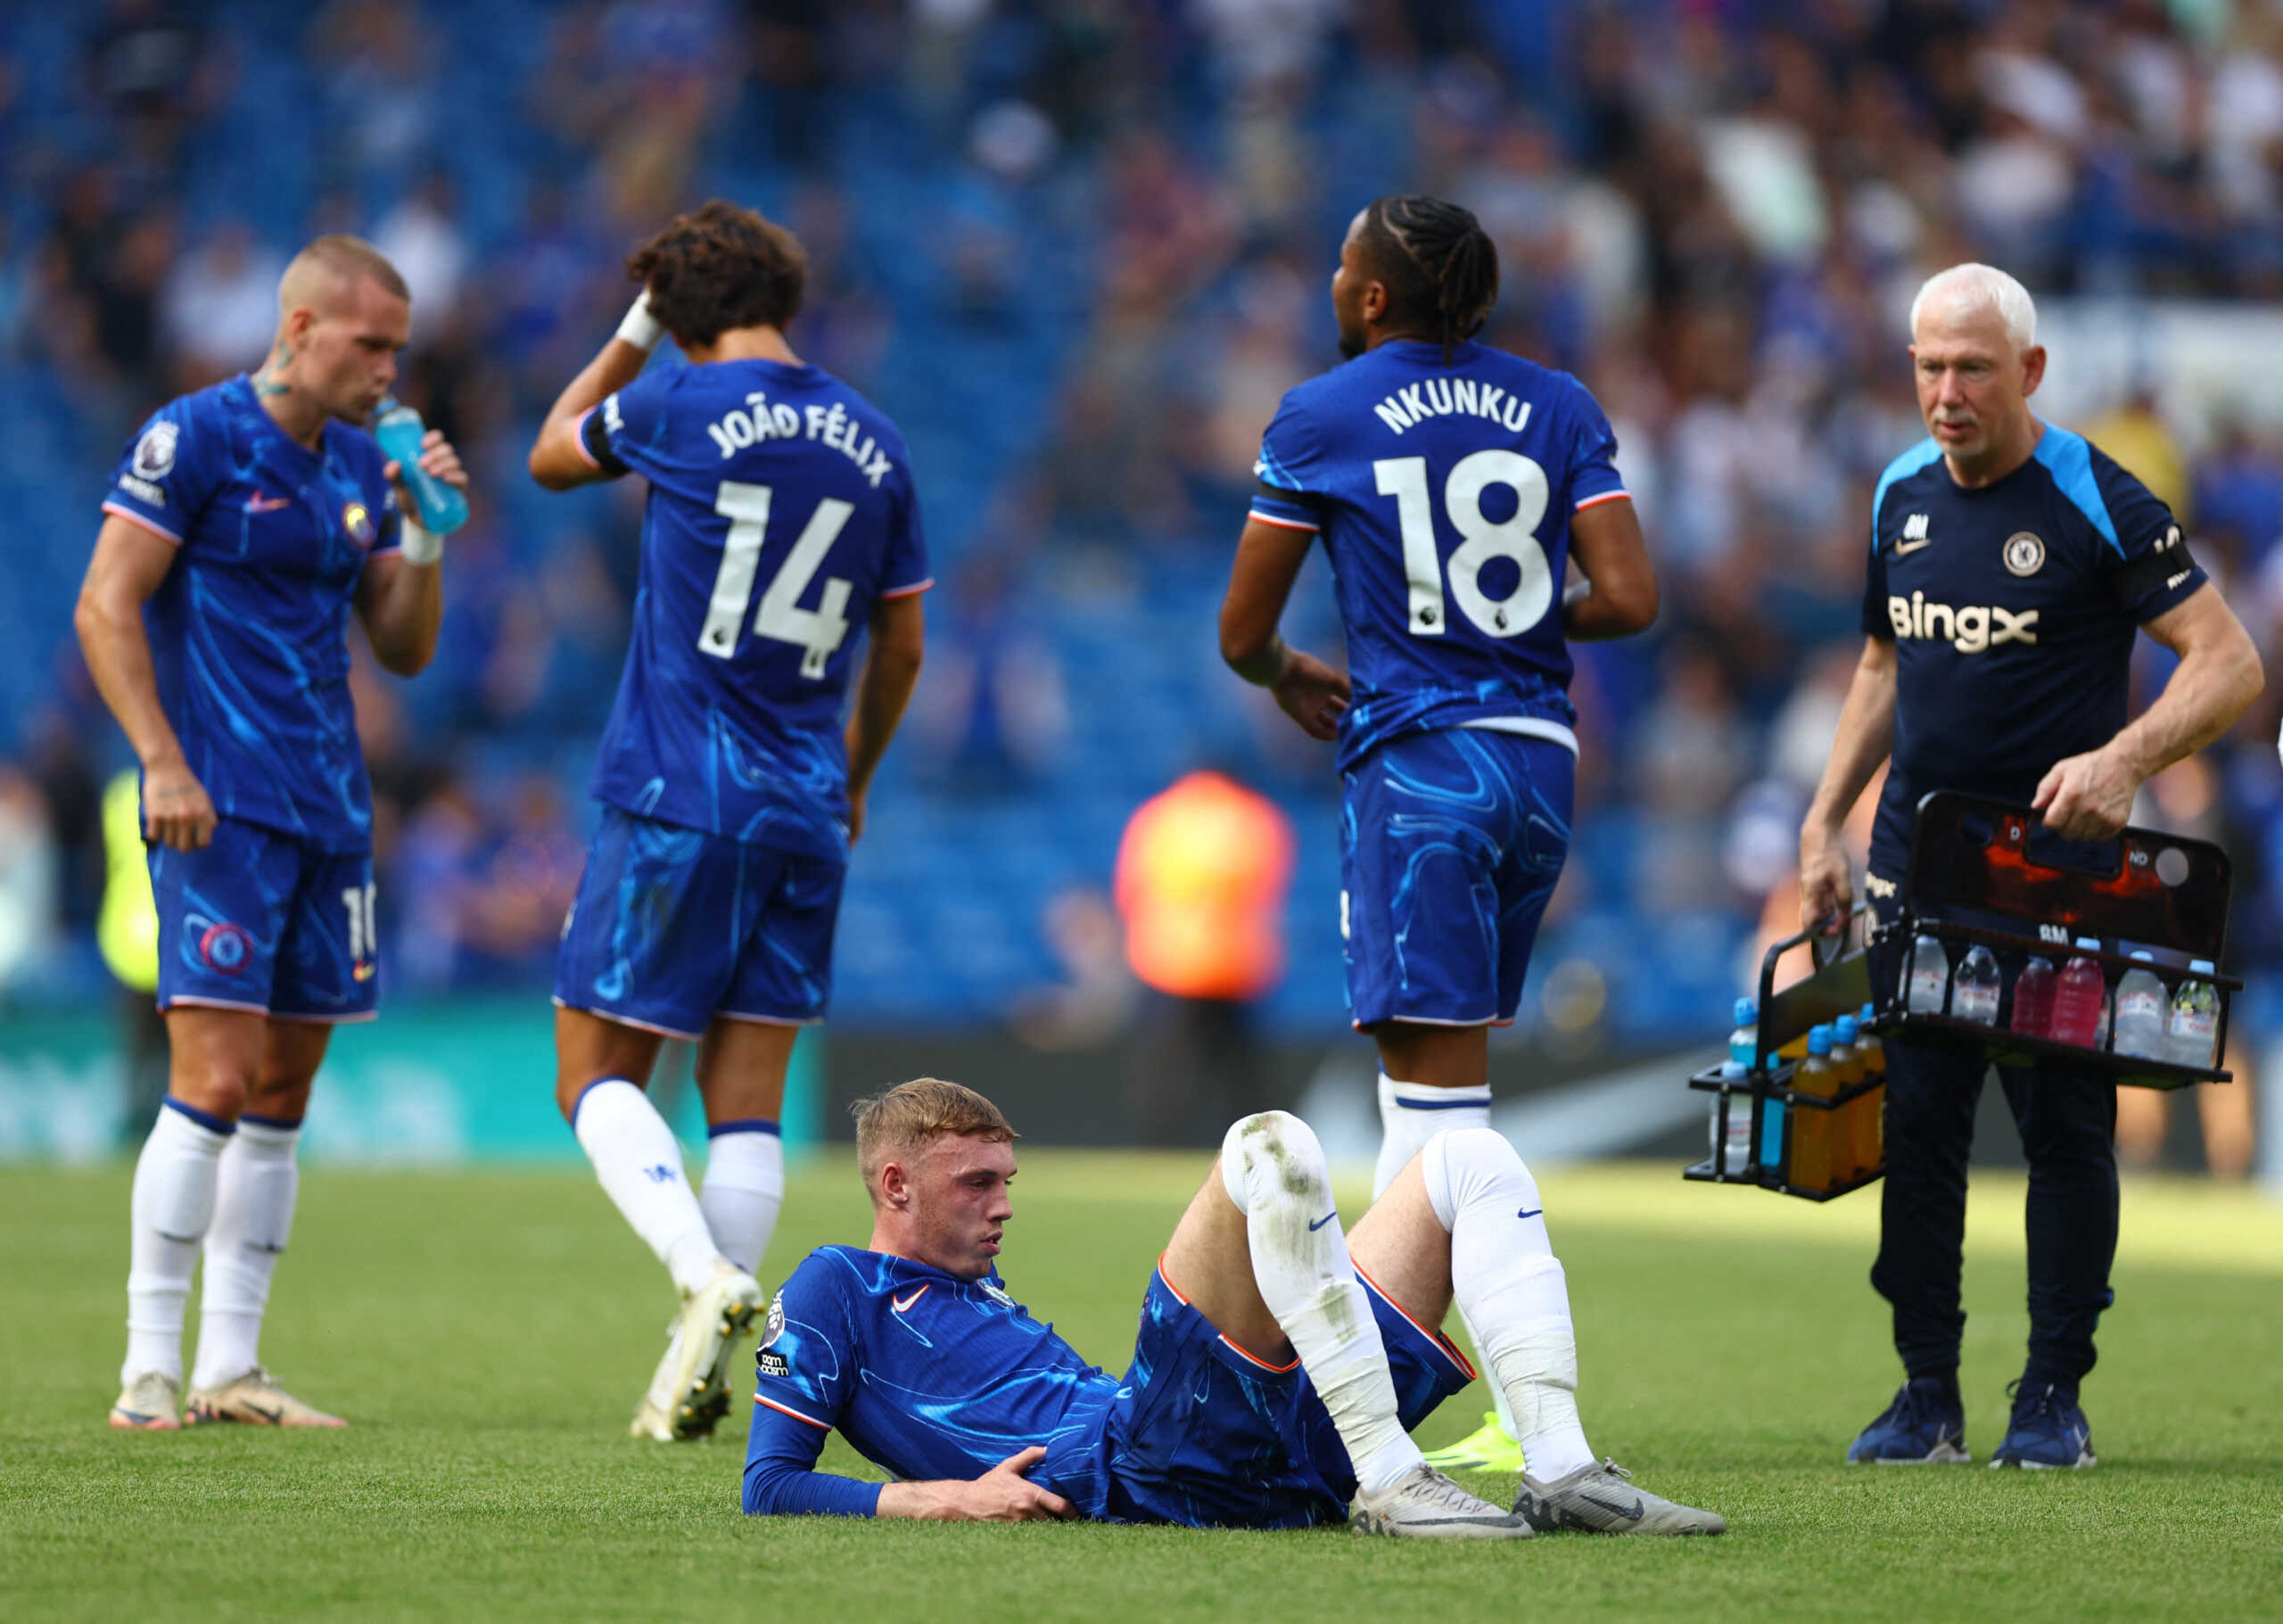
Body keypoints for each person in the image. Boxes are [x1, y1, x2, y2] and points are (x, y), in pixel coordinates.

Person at [1216, 194, 1658, 1471]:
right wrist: (1508, 629)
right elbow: (1628, 595)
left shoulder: (1321, 414)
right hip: (1538, 765)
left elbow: (1243, 632)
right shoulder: (1561, 404)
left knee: (1436, 1118)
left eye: (1340, 260)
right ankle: (1429, 1415)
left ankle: (1491, 1424)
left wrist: (1288, 671)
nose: (1331, 274)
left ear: (1368, 299)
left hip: (1421, 766)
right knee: (1442, 1099)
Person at [1798, 263, 2262, 1470]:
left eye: (1972, 369)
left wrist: (2123, 759)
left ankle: (2052, 1395)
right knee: (1923, 1135)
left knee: (2066, 1135)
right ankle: (1925, 1395)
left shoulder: (2098, 498)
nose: (1946, 394)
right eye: (1928, 367)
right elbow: (1882, 669)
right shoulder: (1899, 492)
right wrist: (1823, 822)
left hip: (2062, 886)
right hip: (1921, 870)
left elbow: (2229, 663)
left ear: (2031, 372)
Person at [526, 201, 929, 1442]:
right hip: (807, 801)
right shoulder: (877, 439)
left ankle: (705, 1282)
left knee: (588, 1074)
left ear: (678, 313)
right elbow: (903, 641)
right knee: (745, 1097)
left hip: (676, 792)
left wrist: (636, 330)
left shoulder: (675, 405)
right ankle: (705, 1374)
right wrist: (854, 774)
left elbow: (548, 451)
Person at [77, 235, 464, 1430]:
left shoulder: (359, 465)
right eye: (370, 345)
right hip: (219, 806)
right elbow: (106, 602)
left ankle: (230, 1367)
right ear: (297, 329)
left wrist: (427, 529)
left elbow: (401, 647)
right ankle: (148, 1366)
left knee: (286, 1090)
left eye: (400, 347)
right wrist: (159, 761)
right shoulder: (192, 437)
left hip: (329, 812)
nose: (389, 369)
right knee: (216, 1075)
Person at [741, 1077, 1722, 1537]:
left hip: (1255, 1448)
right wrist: (947, 1498)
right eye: (975, 1184)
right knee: (1265, 1145)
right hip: (1144, 1459)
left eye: (1007, 1179)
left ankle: (1558, 1469)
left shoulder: (974, 1292)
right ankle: (1389, 1478)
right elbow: (769, 1486)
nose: (1004, 1204)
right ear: (896, 1185)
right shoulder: (835, 1283)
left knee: (1471, 1160)